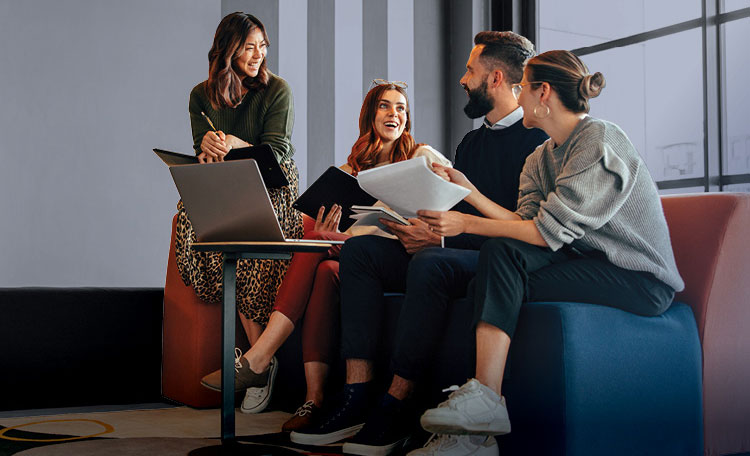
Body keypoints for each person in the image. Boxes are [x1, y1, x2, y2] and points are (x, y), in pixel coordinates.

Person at [412, 50, 684, 456]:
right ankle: (476, 433)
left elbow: (543, 232)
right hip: (586, 261)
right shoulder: (541, 157)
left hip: (638, 280)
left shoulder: (599, 141)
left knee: (498, 266)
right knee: (494, 265)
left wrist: (466, 223)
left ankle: (484, 405)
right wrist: (465, 188)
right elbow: (521, 223)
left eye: (524, 89)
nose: (517, 97)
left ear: (544, 93)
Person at [290, 32, 548, 456]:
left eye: (470, 71)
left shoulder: (536, 142)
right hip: (451, 245)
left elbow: (519, 229)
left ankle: (397, 403)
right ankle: (356, 397)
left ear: (496, 78)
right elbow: (445, 205)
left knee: (430, 262)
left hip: (497, 258)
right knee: (361, 253)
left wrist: (440, 238)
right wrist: (417, 228)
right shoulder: (471, 143)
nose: (463, 80)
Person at [200, 80, 451, 423]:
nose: (394, 113)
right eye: (385, 106)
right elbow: (346, 234)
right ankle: (313, 399)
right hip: (357, 258)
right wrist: (328, 235)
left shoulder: (421, 156)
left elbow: (451, 203)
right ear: (369, 116)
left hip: (406, 255)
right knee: (321, 264)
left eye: (401, 108)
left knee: (320, 251)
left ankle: (260, 358)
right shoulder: (349, 173)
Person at [173, 11, 303, 405]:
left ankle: (255, 365)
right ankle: (258, 362)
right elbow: (202, 149)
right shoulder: (201, 95)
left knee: (245, 241)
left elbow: (278, 154)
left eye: (262, 46)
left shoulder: (277, 89)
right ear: (228, 49)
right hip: (227, 182)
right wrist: (207, 150)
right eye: (249, 47)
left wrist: (232, 142)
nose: (258, 54)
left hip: (273, 183)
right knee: (192, 222)